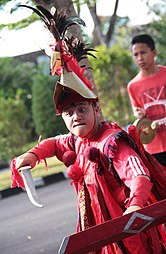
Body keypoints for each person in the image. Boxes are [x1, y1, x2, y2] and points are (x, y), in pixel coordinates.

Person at [11, 6, 166, 254]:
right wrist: (33, 155)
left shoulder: (113, 142)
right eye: (69, 113)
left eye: (81, 109)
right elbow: (54, 143)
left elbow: (139, 175)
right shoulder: (76, 141)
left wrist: (135, 206)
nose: (76, 116)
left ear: (95, 109)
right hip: (100, 233)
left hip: (130, 237)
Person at [127, 34, 166, 167]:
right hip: (153, 147)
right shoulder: (133, 86)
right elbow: (136, 111)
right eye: (135, 54)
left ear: (154, 52)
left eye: (143, 52)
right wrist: (138, 114)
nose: (139, 58)